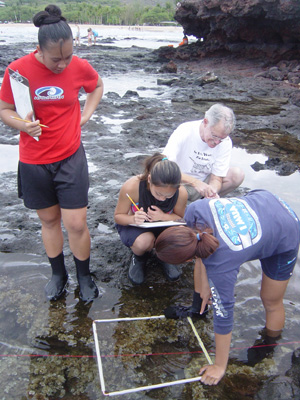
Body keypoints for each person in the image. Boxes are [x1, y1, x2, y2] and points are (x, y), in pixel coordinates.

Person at [0, 5, 104, 303]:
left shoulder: (78, 66)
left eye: (68, 56)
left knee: (76, 223)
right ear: (39, 50)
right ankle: (58, 274)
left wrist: (86, 114)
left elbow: (96, 85)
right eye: (56, 59)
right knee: (48, 221)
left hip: (70, 156)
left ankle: (84, 276)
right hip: (34, 161)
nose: (62, 64)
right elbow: (5, 110)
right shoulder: (17, 71)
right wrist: (23, 124)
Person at [155, 189, 300, 385]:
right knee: (212, 279)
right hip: (264, 200)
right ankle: (198, 309)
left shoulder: (221, 265)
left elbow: (224, 315)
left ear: (187, 259)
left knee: (271, 300)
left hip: (287, 229)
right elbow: (199, 253)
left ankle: (269, 345)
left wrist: (220, 366)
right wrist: (203, 291)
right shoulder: (194, 212)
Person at [114, 153, 188, 285]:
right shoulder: (132, 186)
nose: (162, 199)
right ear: (149, 179)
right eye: (159, 193)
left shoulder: (181, 193)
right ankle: (139, 258)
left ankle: (164, 256)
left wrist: (164, 217)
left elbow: (181, 220)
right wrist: (133, 219)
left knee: (181, 233)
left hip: (164, 226)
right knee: (144, 242)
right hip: (136, 226)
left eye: (168, 196)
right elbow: (118, 217)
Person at [163, 103, 244, 201]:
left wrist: (212, 191)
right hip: (178, 184)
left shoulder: (225, 142)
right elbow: (165, 166)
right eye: (215, 136)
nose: (217, 142)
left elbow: (217, 178)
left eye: (221, 138)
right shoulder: (185, 130)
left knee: (237, 174)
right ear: (206, 122)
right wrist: (195, 182)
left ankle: (204, 202)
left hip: (203, 187)